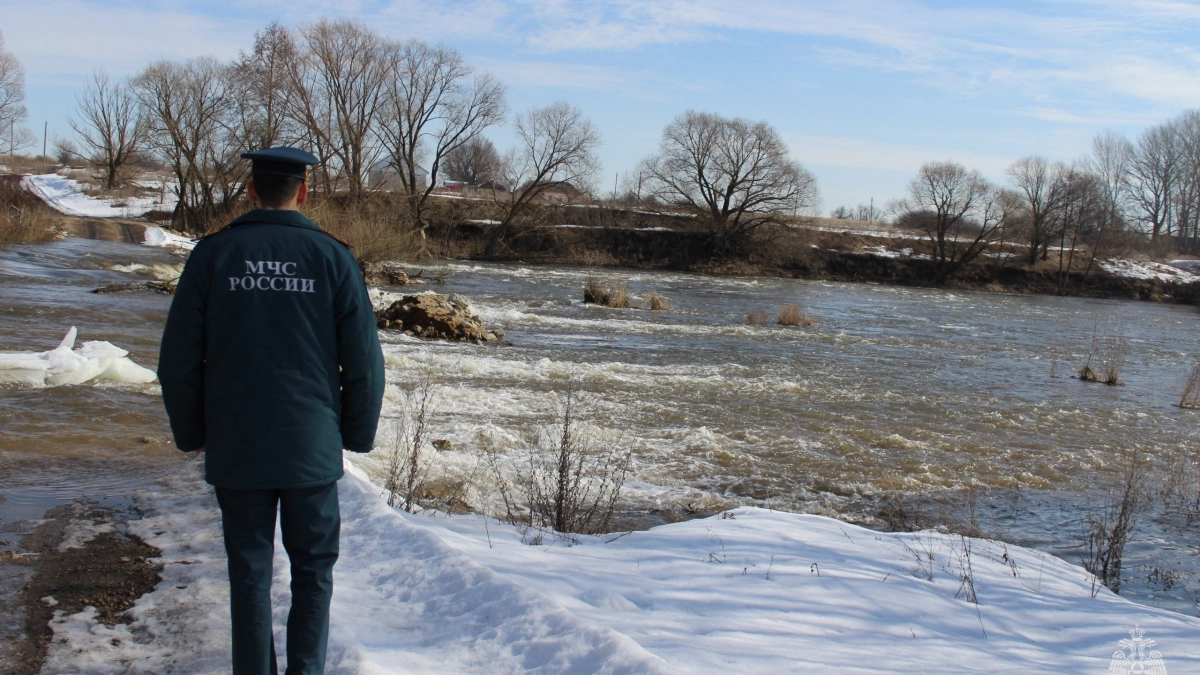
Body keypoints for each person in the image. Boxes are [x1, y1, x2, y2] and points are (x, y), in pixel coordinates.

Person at [158, 146, 385, 675]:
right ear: (304, 192)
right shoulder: (333, 257)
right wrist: (353, 435)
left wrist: (191, 432)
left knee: (249, 574)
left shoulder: (213, 254)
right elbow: (365, 363)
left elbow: (177, 360)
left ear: (250, 191)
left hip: (237, 441)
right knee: (313, 571)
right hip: (310, 442)